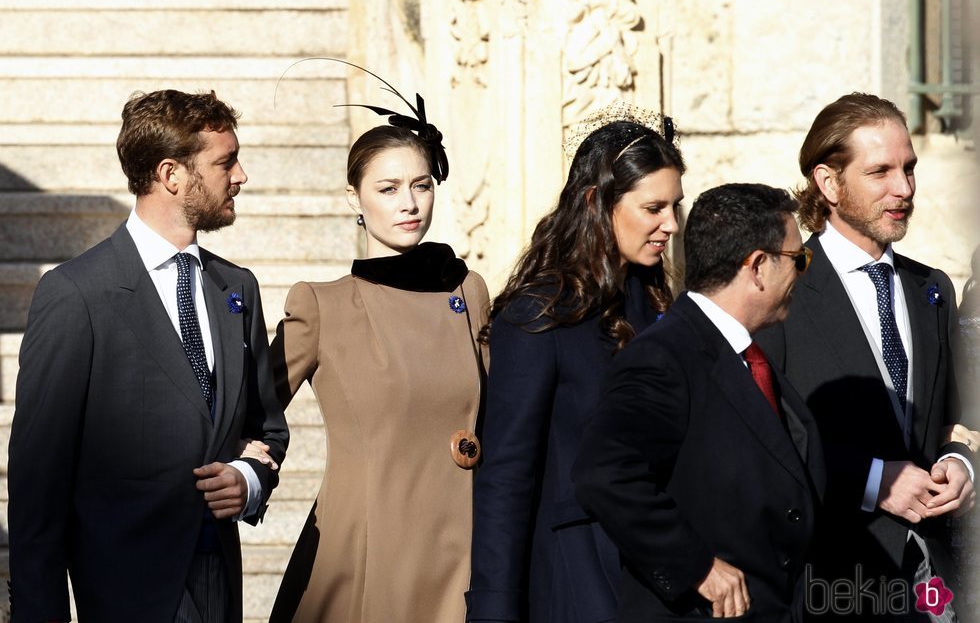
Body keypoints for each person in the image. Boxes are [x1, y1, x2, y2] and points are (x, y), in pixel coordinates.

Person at [8, 89, 289, 623]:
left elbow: (266, 428)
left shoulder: (238, 288)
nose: (241, 175)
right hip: (125, 596)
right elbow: (37, 483)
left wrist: (248, 481)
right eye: (225, 161)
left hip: (219, 588)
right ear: (171, 174)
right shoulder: (75, 294)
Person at [268, 80, 489, 623]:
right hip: (373, 550)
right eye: (388, 188)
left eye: (421, 185)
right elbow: (247, 405)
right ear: (355, 199)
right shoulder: (322, 306)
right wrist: (250, 465)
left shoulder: (471, 291)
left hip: (467, 547)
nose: (410, 203)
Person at [756, 93, 974, 621]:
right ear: (828, 183)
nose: (904, 189)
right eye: (880, 172)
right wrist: (875, 482)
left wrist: (961, 463)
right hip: (829, 579)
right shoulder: (780, 291)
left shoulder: (934, 289)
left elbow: (962, 409)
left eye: (909, 169)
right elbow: (763, 438)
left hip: (935, 580)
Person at [466, 103, 685, 623]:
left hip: (669, 574)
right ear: (596, 202)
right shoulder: (539, 314)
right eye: (653, 208)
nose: (671, 224)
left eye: (676, 206)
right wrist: (494, 609)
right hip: (579, 577)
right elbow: (507, 475)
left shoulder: (663, 308)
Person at [574, 183, 826, 622]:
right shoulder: (663, 357)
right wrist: (695, 565)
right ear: (759, 267)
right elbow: (605, 473)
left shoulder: (746, 354)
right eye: (798, 259)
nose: (803, 273)